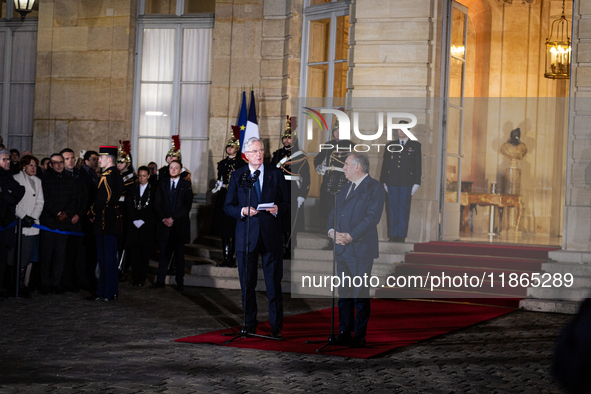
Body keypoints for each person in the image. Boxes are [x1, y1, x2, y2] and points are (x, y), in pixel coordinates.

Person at [223, 137, 290, 338]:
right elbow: (228, 206)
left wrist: (279, 208)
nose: (259, 154)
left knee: (273, 285)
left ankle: (276, 327)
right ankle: (249, 324)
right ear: (246, 155)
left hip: (271, 235)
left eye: (261, 150)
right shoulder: (238, 176)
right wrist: (242, 210)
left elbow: (287, 202)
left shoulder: (276, 174)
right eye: (254, 151)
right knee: (247, 285)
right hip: (246, 236)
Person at [328, 152, 385, 347]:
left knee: (359, 293)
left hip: (360, 249)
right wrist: (331, 232)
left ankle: (359, 335)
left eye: (346, 164)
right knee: (344, 292)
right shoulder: (344, 188)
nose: (343, 168)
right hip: (342, 249)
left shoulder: (374, 187)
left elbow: (372, 217)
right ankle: (344, 331)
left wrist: (350, 236)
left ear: (357, 167)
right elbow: (334, 213)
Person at [39, 153, 79, 294]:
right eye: (56, 162)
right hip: (48, 222)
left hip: (63, 223)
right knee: (46, 255)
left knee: (60, 256)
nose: (59, 165)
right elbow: (44, 199)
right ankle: (45, 284)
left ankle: (56, 283)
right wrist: (56, 213)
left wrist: (65, 213)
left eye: (61, 162)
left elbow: (73, 199)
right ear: (50, 164)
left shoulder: (71, 180)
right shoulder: (43, 179)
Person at [270, 116, 310, 258]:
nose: (287, 140)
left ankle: (289, 248)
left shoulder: (300, 156)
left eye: (289, 138)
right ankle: (279, 247)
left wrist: (302, 195)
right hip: (278, 189)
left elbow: (306, 178)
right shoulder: (277, 154)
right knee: (278, 219)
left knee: (290, 220)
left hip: (293, 188)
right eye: (285, 138)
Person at [152, 160, 193, 291]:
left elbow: (187, 206)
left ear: (181, 170)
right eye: (171, 168)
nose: (173, 170)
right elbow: (157, 203)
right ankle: (160, 281)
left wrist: (173, 218)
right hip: (164, 225)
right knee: (163, 254)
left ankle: (180, 282)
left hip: (179, 226)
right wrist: (164, 218)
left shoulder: (186, 185)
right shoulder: (162, 184)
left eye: (176, 168)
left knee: (179, 256)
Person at [89, 146, 123, 301]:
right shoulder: (116, 174)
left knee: (105, 258)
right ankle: (110, 290)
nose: (99, 160)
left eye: (101, 158)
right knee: (110, 258)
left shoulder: (106, 175)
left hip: (104, 220)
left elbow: (102, 199)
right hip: (111, 219)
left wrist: (91, 213)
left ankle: (105, 291)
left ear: (109, 159)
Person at [380, 120, 421, 243]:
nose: (400, 131)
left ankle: (401, 235)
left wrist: (417, 182)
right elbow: (385, 164)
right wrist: (384, 181)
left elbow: (418, 165)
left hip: (407, 183)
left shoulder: (415, 146)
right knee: (391, 208)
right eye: (398, 129)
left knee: (403, 208)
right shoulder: (390, 145)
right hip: (392, 182)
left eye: (403, 129)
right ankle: (393, 234)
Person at [313, 121, 355, 238]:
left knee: (341, 208)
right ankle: (329, 233)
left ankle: (340, 233)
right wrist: (318, 166)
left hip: (343, 180)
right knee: (329, 207)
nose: (337, 134)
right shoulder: (328, 145)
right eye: (336, 131)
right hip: (329, 179)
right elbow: (318, 159)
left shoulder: (351, 145)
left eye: (340, 131)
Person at [212, 134, 247, 267]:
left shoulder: (241, 164)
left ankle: (233, 258)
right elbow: (220, 178)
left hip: (236, 198)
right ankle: (226, 258)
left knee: (233, 229)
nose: (229, 149)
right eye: (228, 146)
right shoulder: (222, 163)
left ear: (237, 149)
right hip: (223, 197)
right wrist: (218, 185)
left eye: (232, 147)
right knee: (223, 229)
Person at [13, 155, 44, 297]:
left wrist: (32, 217)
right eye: (31, 165)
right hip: (19, 223)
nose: (33, 168)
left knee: (29, 255)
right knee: (17, 255)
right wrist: (23, 216)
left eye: (35, 166)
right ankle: (16, 284)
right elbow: (14, 203)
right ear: (24, 166)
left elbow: (40, 201)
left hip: (32, 224)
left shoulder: (37, 181)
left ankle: (24, 283)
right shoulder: (15, 179)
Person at [60, 148, 89, 292]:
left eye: (72, 158)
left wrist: (78, 214)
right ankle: (64, 281)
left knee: (78, 253)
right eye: (66, 159)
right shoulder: (59, 176)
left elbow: (84, 198)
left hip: (77, 221)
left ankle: (78, 280)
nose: (70, 161)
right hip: (63, 221)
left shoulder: (80, 176)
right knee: (64, 253)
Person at [0, 149, 25, 299]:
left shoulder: (8, 176)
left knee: (3, 258)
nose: (8, 162)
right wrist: (7, 195)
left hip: (7, 224)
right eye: (4, 160)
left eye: (8, 159)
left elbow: (19, 191)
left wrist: (7, 194)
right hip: (3, 221)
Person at [125, 166, 156, 286]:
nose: (142, 178)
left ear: (148, 176)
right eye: (140, 176)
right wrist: (134, 219)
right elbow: (129, 205)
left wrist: (143, 220)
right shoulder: (133, 189)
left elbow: (153, 208)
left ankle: (142, 278)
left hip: (146, 226)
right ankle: (135, 277)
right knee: (134, 253)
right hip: (134, 225)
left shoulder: (153, 190)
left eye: (144, 176)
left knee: (144, 253)